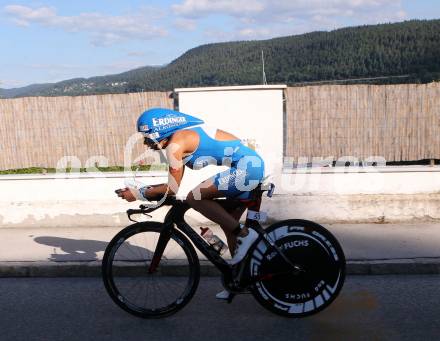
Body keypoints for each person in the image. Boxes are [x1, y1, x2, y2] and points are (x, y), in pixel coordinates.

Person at [117, 108, 265, 299]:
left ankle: (245, 234)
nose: (146, 144)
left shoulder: (176, 144)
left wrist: (139, 193)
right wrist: (144, 191)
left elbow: (172, 188)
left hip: (248, 168)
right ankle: (238, 279)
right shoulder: (181, 138)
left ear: (160, 131)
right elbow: (171, 185)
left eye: (148, 137)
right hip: (249, 165)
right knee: (229, 222)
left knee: (194, 198)